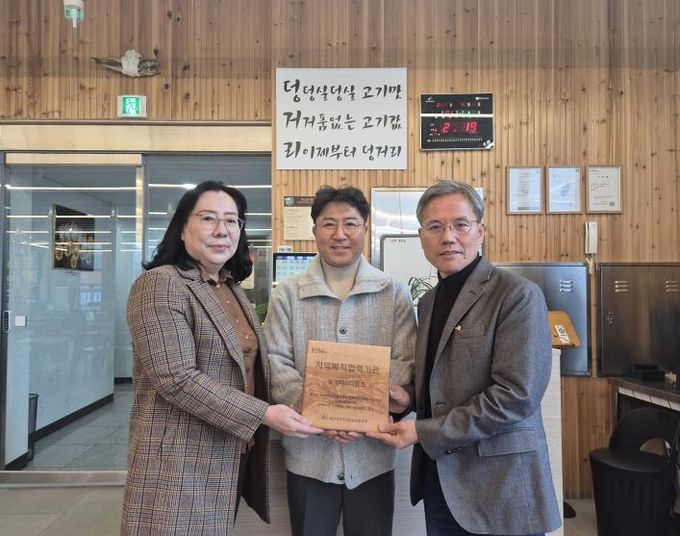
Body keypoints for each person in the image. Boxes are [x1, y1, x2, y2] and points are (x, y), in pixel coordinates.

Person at [121, 180, 322, 535]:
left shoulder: (229, 287)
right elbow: (176, 378)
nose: (221, 230)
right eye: (208, 218)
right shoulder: (160, 283)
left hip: (229, 454)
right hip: (178, 462)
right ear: (182, 228)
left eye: (232, 220)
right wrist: (264, 414)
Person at [367, 180, 561, 536]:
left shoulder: (517, 295)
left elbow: (515, 396)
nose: (448, 237)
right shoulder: (428, 301)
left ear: (480, 231)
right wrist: (408, 397)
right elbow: (442, 379)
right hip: (440, 482)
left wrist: (423, 431)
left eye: (460, 224)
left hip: (499, 485)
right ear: (421, 236)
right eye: (435, 227)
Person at [265, 186, 416, 536]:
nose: (340, 234)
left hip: (372, 455)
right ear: (314, 229)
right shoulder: (287, 294)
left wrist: (361, 414)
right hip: (308, 457)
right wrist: (320, 412)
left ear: (365, 228)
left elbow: (405, 360)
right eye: (329, 224)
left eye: (350, 223)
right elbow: (275, 362)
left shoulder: (393, 292)